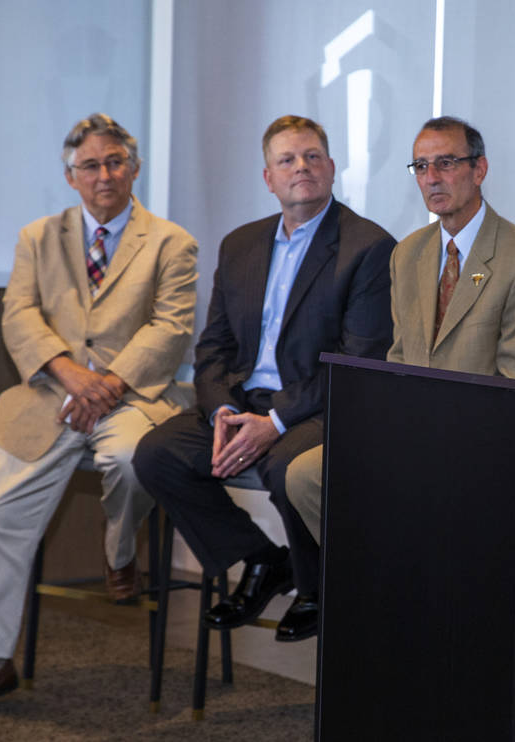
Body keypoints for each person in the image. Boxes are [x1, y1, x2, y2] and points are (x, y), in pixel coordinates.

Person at [0, 113, 198, 715]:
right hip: (52, 396)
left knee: (132, 459)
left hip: (131, 397)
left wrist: (108, 383)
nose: (105, 175)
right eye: (90, 166)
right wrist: (71, 375)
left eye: (116, 162)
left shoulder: (172, 242)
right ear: (70, 176)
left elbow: (171, 327)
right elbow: (18, 315)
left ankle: (119, 550)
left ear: (135, 168)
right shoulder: (37, 237)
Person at [133, 115, 395, 643]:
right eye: (287, 159)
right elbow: (213, 349)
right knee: (157, 454)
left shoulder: (367, 247)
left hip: (316, 406)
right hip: (239, 400)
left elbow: (358, 359)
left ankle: (316, 586)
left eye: (313, 156)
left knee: (286, 468)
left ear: (332, 168)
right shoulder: (239, 245)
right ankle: (261, 560)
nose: (302, 167)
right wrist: (222, 412)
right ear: (267, 177)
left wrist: (273, 421)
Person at [286, 115, 515, 542]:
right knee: (304, 475)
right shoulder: (407, 253)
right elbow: (397, 362)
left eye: (446, 163)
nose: (432, 178)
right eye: (421, 167)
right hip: (408, 432)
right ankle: (378, 579)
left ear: (479, 169)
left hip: (477, 443)